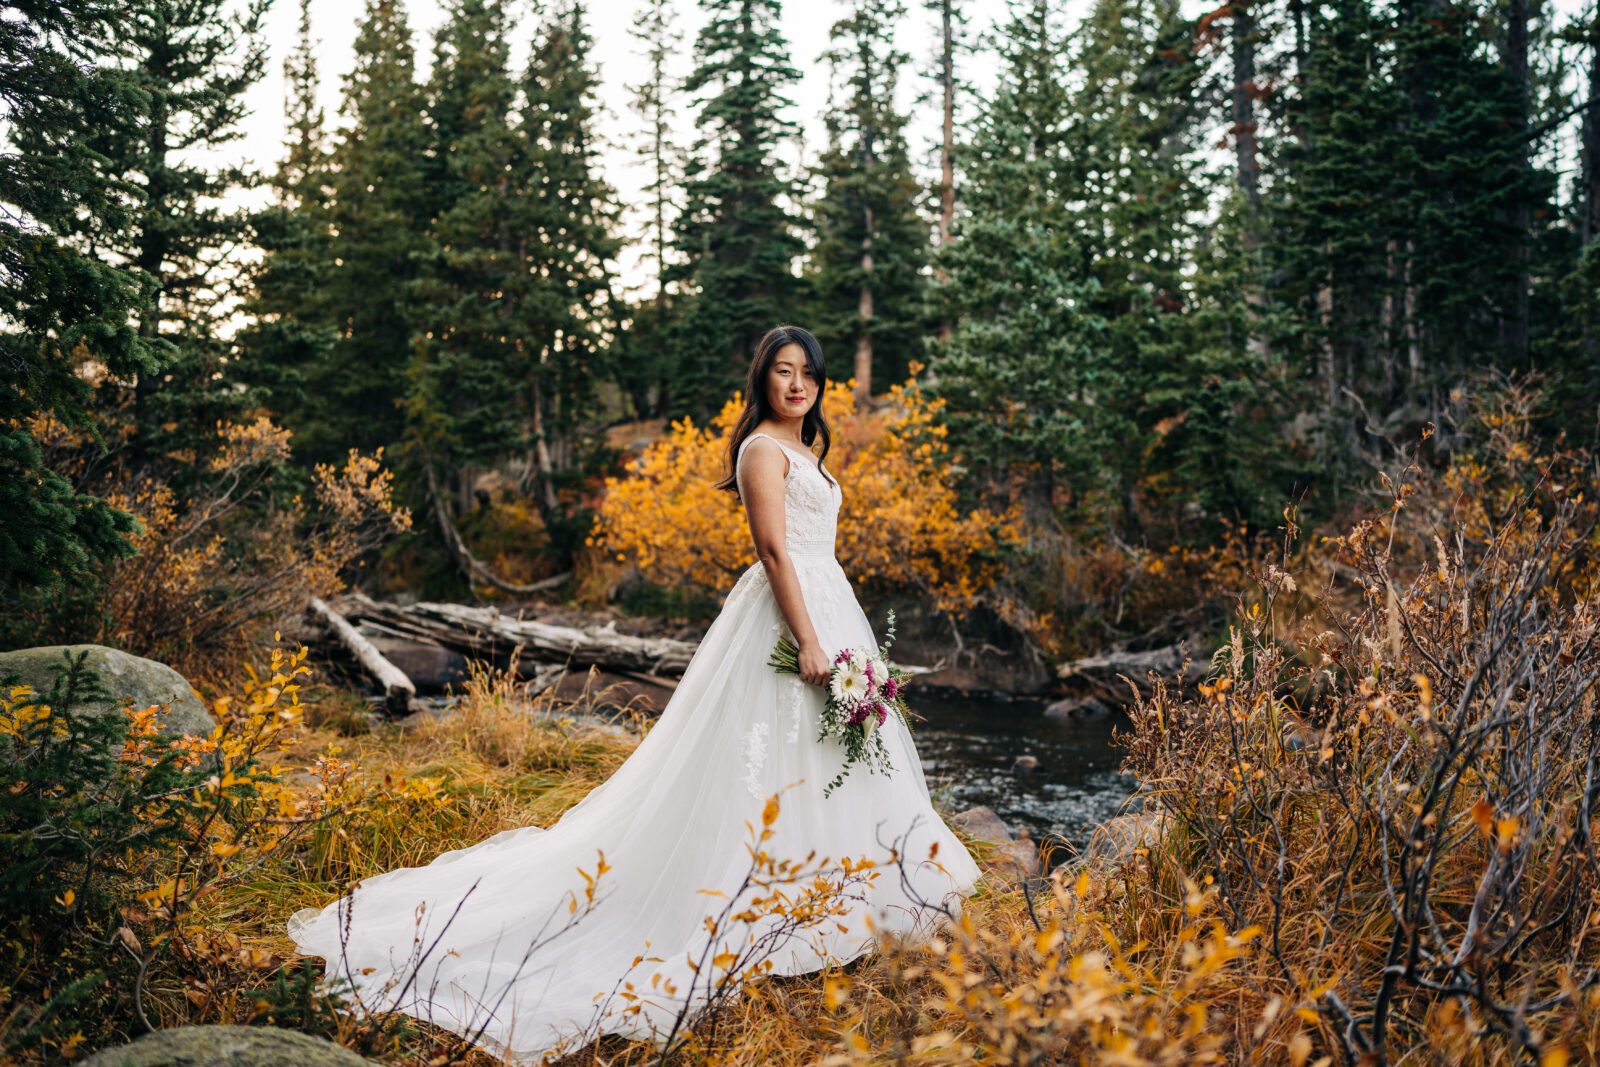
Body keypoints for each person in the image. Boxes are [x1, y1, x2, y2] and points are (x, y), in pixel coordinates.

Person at [287, 324, 982, 1063]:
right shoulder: (760, 451)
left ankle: (837, 892)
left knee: (826, 748)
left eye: (807, 372)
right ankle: (762, 899)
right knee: (771, 744)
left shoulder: (810, 449)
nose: (796, 385)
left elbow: (813, 546)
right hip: (790, 609)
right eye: (782, 372)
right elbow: (775, 549)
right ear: (762, 380)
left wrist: (836, 632)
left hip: (831, 600)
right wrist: (809, 638)